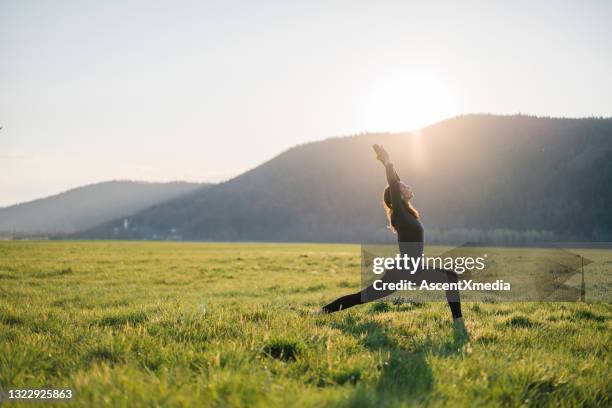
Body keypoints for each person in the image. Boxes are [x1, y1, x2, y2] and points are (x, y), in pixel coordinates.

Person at [321, 144, 465, 329]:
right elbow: (394, 184)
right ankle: (321, 312)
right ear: (398, 195)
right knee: (363, 297)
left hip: (414, 268)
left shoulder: (407, 213)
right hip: (404, 270)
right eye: (404, 186)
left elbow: (396, 183)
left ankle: (458, 322)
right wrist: (388, 163)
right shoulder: (400, 214)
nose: (408, 186)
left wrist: (387, 163)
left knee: (450, 277)